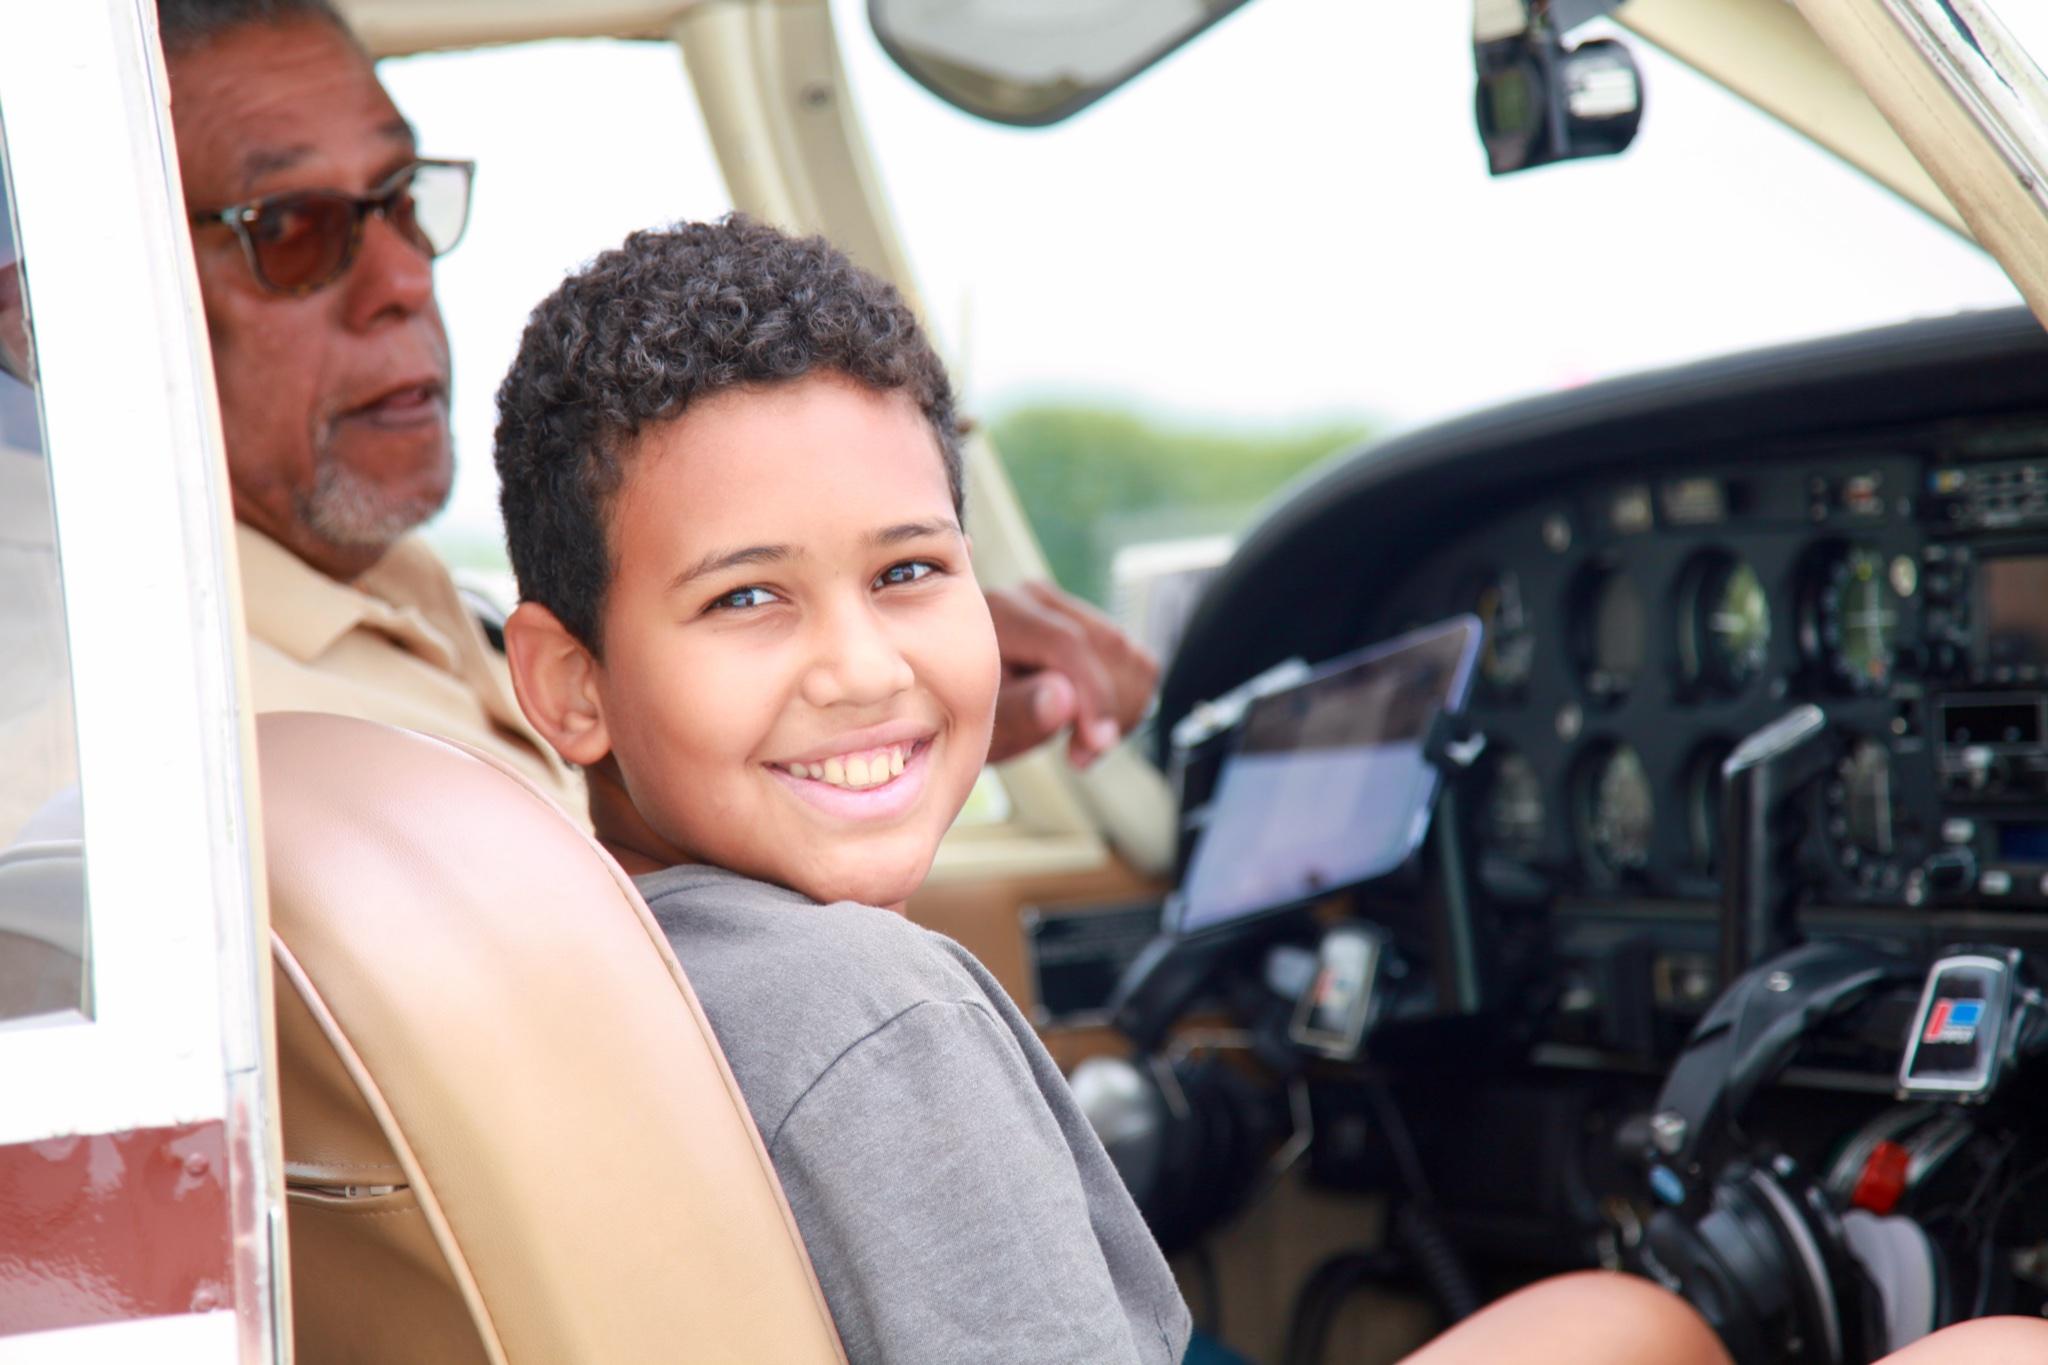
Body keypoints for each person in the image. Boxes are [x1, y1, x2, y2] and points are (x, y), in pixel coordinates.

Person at [157, 0, 1156, 826]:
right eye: (287, 229)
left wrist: (884, 700)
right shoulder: (162, 766)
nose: (402, 277)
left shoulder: (413, 605)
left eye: (401, 198)